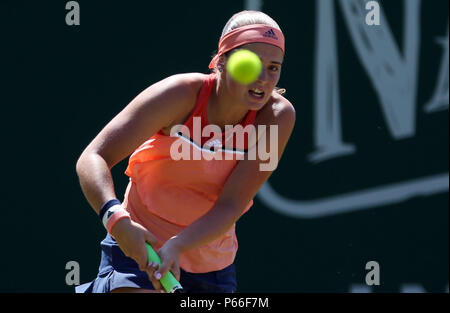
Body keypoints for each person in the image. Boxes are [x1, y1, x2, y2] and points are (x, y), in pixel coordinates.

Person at [75, 10, 295, 293]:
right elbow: (93, 157)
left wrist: (177, 246)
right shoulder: (178, 95)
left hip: (212, 268)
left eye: (273, 67)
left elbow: (231, 205)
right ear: (221, 61)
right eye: (249, 65)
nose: (263, 78)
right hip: (140, 250)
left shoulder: (277, 116)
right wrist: (116, 220)